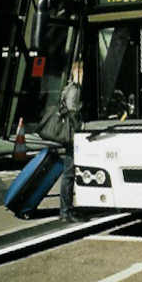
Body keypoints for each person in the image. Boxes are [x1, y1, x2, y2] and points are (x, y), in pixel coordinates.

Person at [59, 62, 82, 222]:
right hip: (72, 136)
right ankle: (66, 211)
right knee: (69, 174)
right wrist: (81, 128)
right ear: (77, 72)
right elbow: (73, 113)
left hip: (69, 136)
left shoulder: (68, 88)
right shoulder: (74, 90)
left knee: (69, 173)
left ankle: (66, 210)